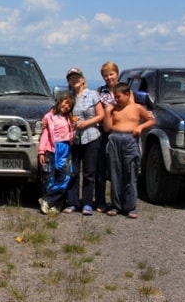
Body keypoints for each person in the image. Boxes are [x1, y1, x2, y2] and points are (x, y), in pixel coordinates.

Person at [102, 82, 155, 219]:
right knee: (115, 173)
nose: (116, 99)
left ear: (127, 95)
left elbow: (151, 120)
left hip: (130, 139)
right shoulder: (114, 109)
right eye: (115, 97)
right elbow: (107, 128)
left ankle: (130, 206)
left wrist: (140, 127)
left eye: (119, 97)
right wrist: (107, 112)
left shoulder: (137, 108)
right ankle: (116, 205)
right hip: (115, 139)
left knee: (130, 173)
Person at [63, 67, 104, 215]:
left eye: (77, 77)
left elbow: (101, 115)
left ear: (82, 79)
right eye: (71, 78)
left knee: (89, 172)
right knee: (73, 171)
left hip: (91, 136)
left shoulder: (93, 95)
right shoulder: (69, 97)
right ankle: (72, 202)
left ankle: (87, 203)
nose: (74, 80)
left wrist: (86, 123)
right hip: (74, 138)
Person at [37, 93, 76, 215]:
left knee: (65, 176)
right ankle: (51, 202)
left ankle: (48, 199)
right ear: (60, 101)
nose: (66, 106)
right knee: (50, 177)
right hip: (52, 149)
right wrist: (41, 152)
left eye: (69, 105)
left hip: (65, 148)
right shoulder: (49, 116)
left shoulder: (69, 118)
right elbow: (44, 135)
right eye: (65, 102)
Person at [94, 61, 120, 213]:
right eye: (105, 75)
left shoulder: (124, 90)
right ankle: (101, 201)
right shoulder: (100, 91)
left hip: (121, 132)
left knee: (118, 169)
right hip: (103, 133)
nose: (109, 77)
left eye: (111, 74)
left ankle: (118, 202)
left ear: (117, 73)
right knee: (101, 168)